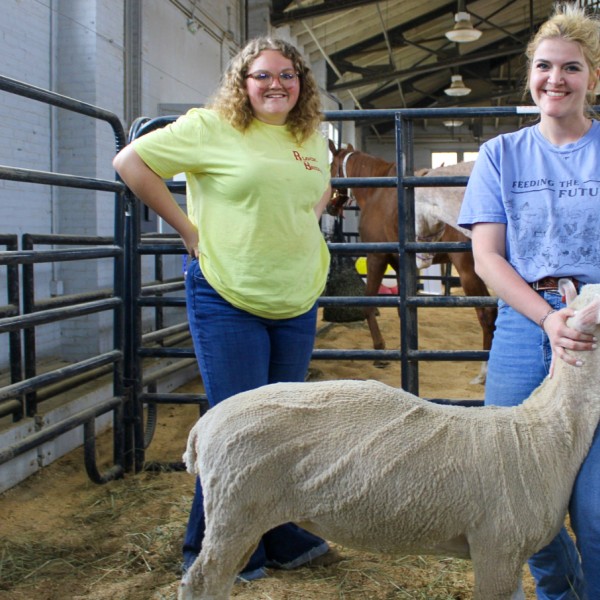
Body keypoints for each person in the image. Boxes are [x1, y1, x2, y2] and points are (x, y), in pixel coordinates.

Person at [113, 37, 336, 582]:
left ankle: (277, 532)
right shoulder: (211, 127)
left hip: (295, 296)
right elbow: (131, 161)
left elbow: (320, 190)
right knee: (238, 429)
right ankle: (210, 549)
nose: (276, 84)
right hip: (228, 293)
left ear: (301, 83)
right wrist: (187, 229)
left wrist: (302, 224)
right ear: (243, 82)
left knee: (279, 427)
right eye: (262, 75)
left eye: (287, 74)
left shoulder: (311, 136)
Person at [458, 4, 600, 599]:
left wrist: (588, 315)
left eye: (572, 68)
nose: (556, 80)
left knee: (593, 510)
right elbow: (489, 257)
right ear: (530, 75)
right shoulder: (501, 154)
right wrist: (546, 320)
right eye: (545, 67)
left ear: (593, 77)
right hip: (526, 321)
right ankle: (557, 592)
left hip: (598, 322)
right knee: (516, 494)